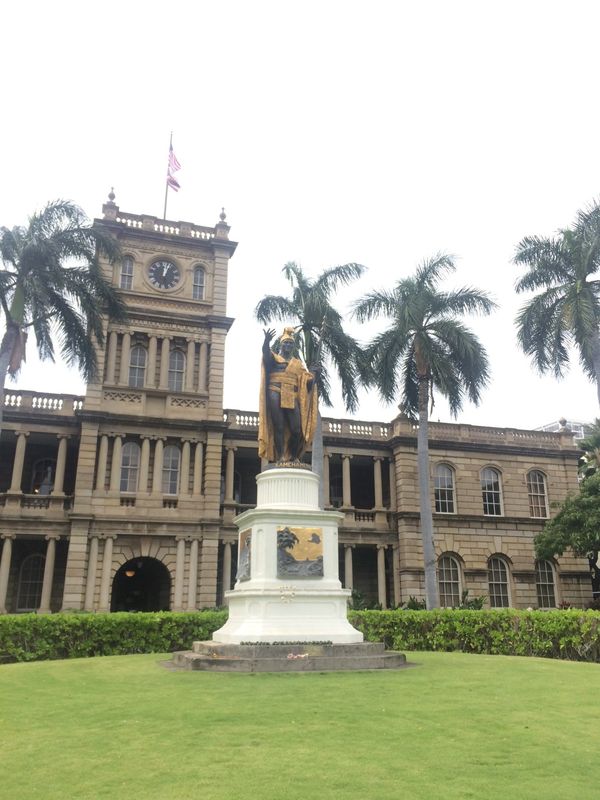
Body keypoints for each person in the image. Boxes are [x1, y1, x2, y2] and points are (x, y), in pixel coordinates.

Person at [258, 327, 318, 464]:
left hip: (291, 394)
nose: (288, 345)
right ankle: (280, 457)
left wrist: (315, 374)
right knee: (278, 426)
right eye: (286, 342)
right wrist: (266, 342)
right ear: (281, 344)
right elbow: (266, 356)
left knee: (297, 429)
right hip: (275, 391)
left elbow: (308, 385)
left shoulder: (297, 364)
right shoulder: (274, 358)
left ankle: (293, 455)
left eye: (291, 343)